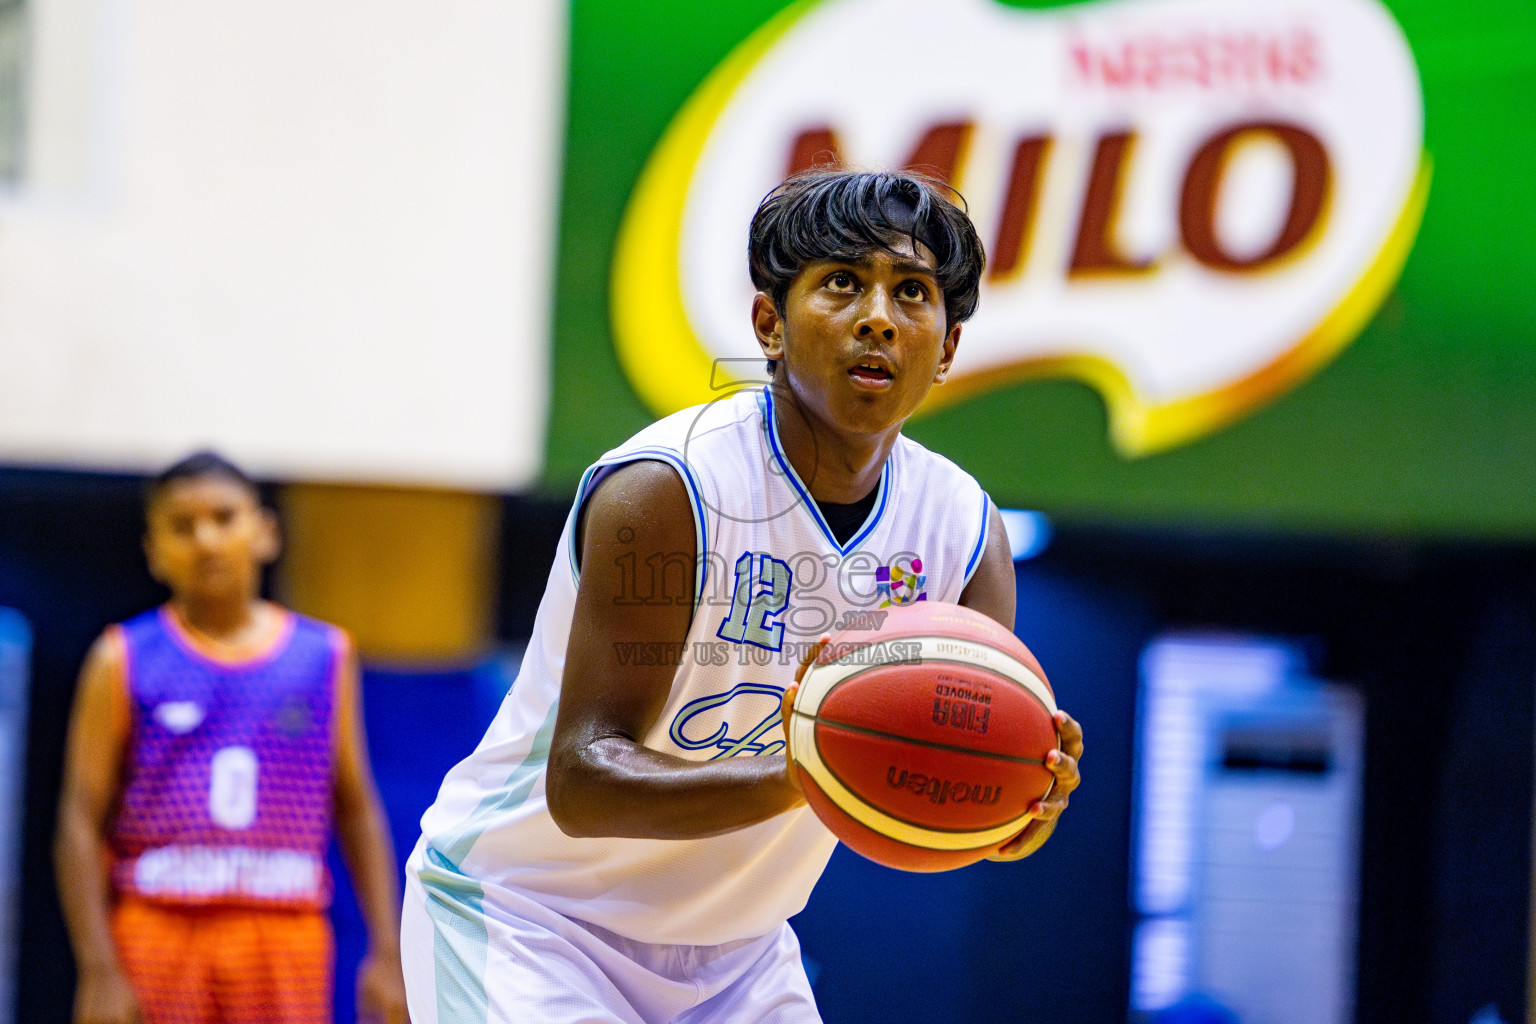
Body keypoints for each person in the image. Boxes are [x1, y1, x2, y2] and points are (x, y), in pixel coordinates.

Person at [401, 169, 1085, 1023]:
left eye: (912, 293)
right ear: (769, 323)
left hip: (742, 952)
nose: (877, 315)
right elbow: (581, 781)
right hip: (530, 917)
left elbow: (945, 776)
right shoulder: (666, 488)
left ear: (945, 349)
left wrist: (1009, 803)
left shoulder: (967, 533)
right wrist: (813, 763)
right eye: (842, 283)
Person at [54, 452, 410, 1024]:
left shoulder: (324, 655)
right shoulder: (120, 656)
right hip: (157, 925)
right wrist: (97, 968)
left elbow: (356, 806)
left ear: (266, 532)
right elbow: (79, 817)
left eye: (224, 517)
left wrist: (388, 953)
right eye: (182, 526)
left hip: (283, 930)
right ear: (154, 551)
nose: (206, 539)